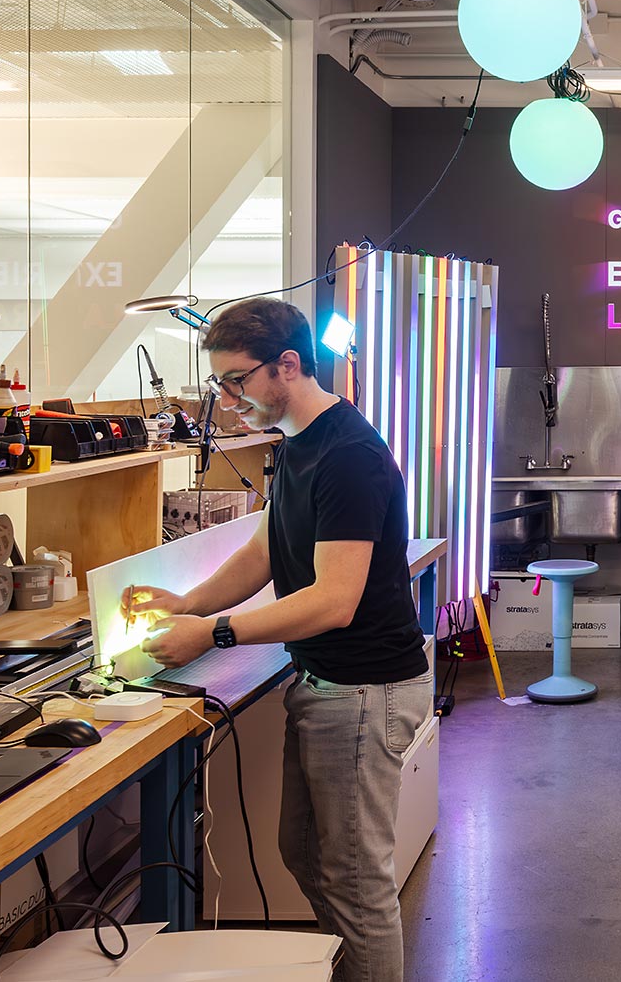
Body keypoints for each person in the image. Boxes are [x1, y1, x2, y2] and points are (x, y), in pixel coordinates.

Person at [122, 298, 431, 982]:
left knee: (355, 882)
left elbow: (333, 599)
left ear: (287, 365)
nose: (226, 400)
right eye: (218, 385)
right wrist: (189, 602)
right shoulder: (297, 441)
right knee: (303, 851)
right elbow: (267, 542)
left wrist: (213, 631)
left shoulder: (348, 455)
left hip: (363, 692)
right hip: (325, 684)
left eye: (237, 381)